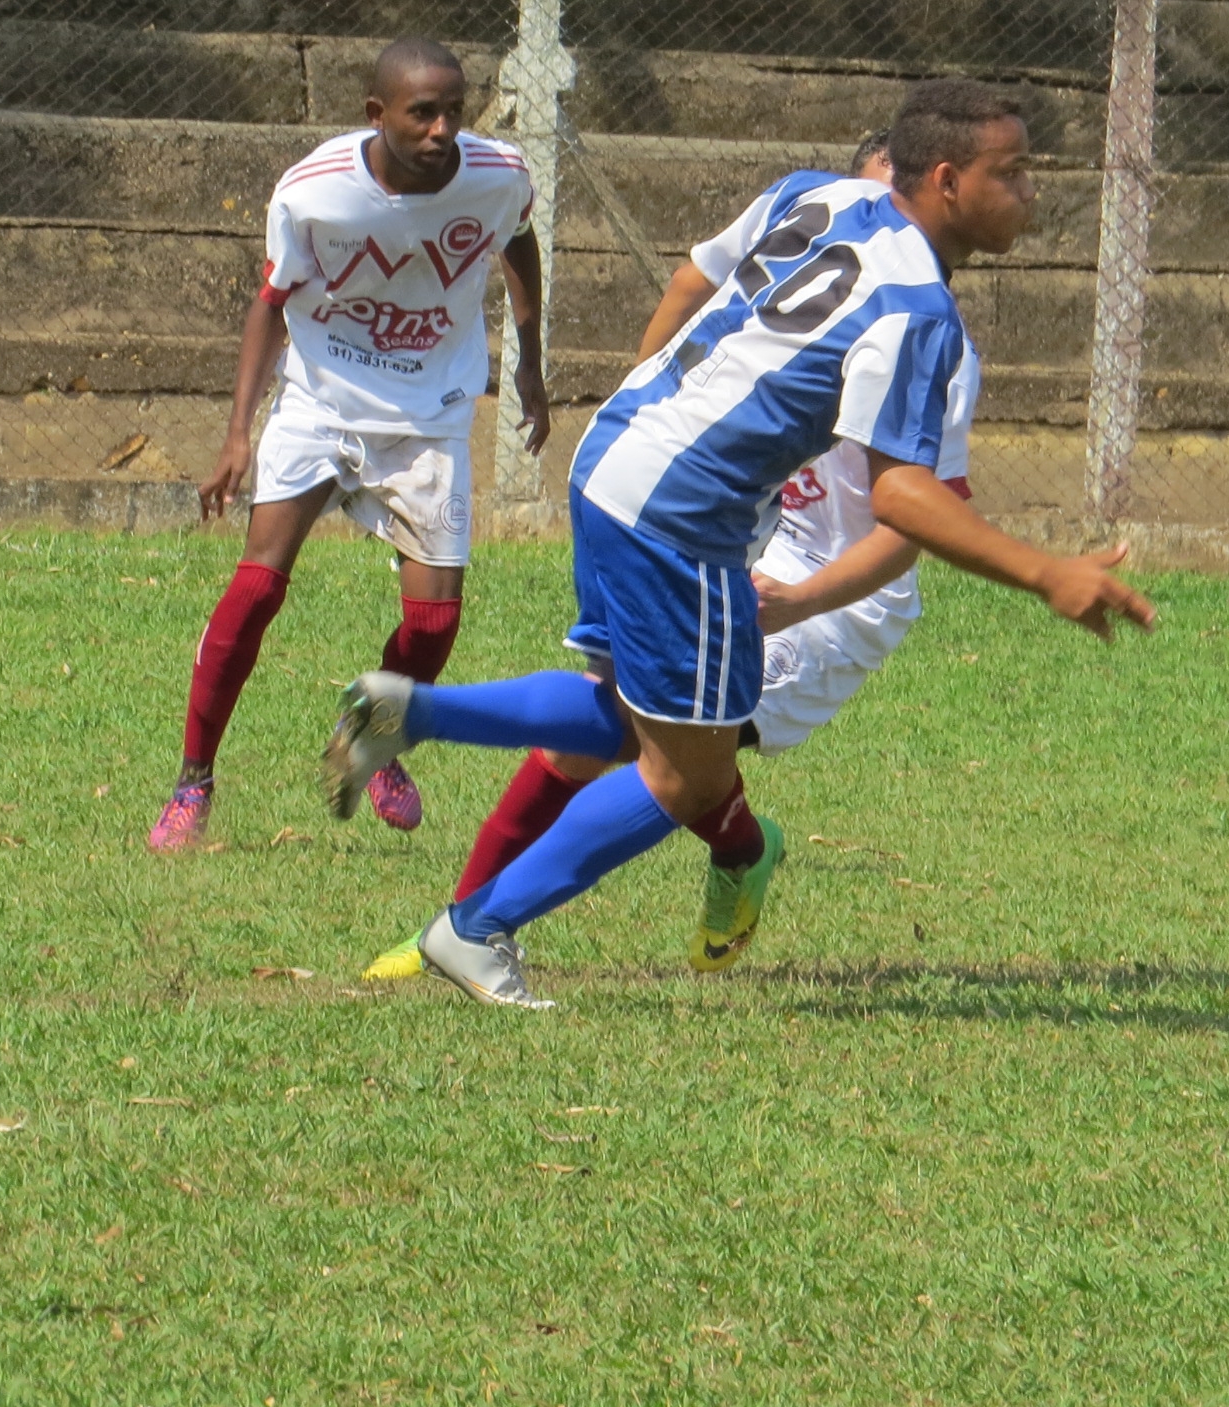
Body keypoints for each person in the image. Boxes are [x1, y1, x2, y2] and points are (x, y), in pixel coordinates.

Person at [320, 80, 1153, 1010]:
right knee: (683, 778)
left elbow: (695, 279)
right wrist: (1047, 572)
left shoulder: (816, 194)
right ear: (949, 181)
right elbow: (903, 497)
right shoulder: (919, 313)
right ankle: (476, 929)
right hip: (684, 517)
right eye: (1015, 173)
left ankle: (410, 713)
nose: (1033, 193)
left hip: (615, 457)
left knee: (630, 715)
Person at [368, 132, 980, 971]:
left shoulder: (926, 339)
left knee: (647, 746)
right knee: (630, 735)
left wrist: (799, 601)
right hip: (726, 539)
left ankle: (468, 910)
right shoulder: (805, 250)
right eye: (870, 198)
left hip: (833, 597)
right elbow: (692, 281)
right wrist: (654, 406)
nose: (880, 222)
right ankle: (477, 912)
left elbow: (912, 527)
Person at [146, 38, 548, 854]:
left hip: (430, 414)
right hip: (321, 402)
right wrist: (239, 433)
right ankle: (193, 783)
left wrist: (530, 360)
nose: (442, 131)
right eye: (422, 113)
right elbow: (270, 301)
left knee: (434, 625)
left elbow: (518, 241)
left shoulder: (499, 175)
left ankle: (374, 738)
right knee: (257, 588)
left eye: (454, 112)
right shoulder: (314, 190)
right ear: (377, 114)